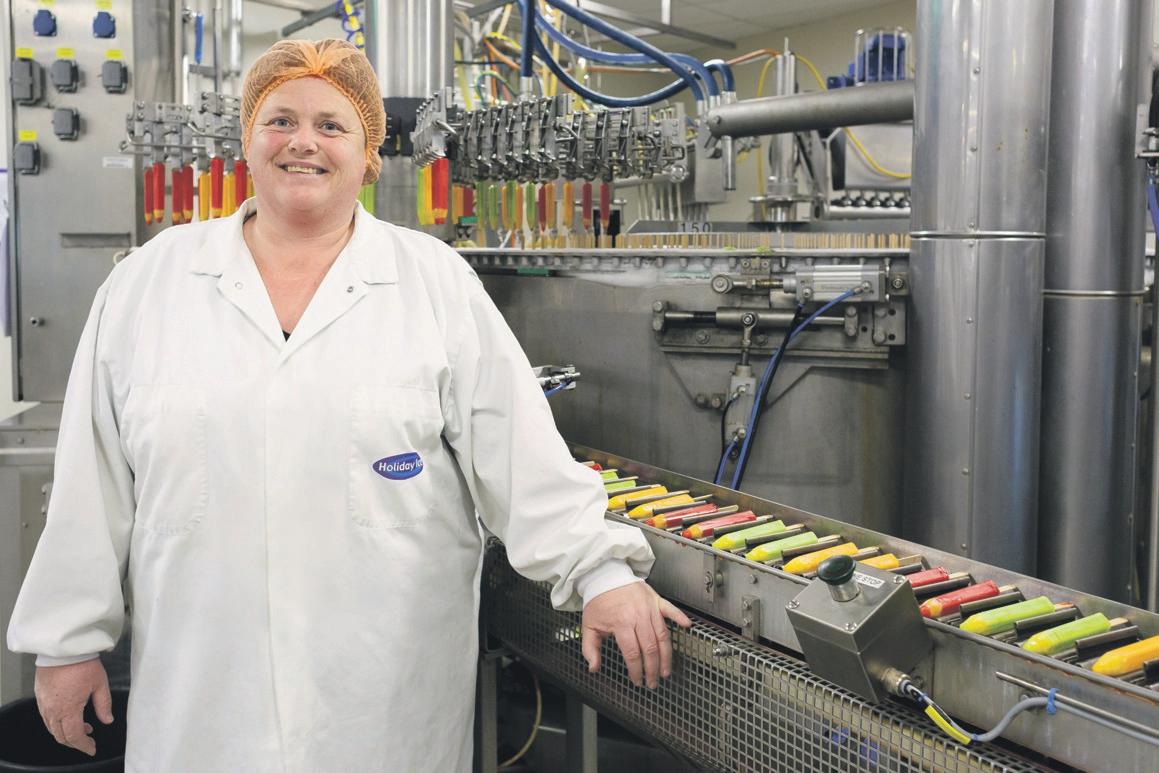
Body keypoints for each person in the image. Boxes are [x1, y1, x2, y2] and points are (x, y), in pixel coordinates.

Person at [7, 39, 690, 772]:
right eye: (280, 120)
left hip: (382, 705)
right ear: (247, 140)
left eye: (331, 125)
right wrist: (66, 641)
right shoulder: (148, 283)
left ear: (368, 156)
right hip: (202, 702)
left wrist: (601, 573)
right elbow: (92, 480)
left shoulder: (434, 282)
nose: (303, 142)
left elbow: (520, 455)